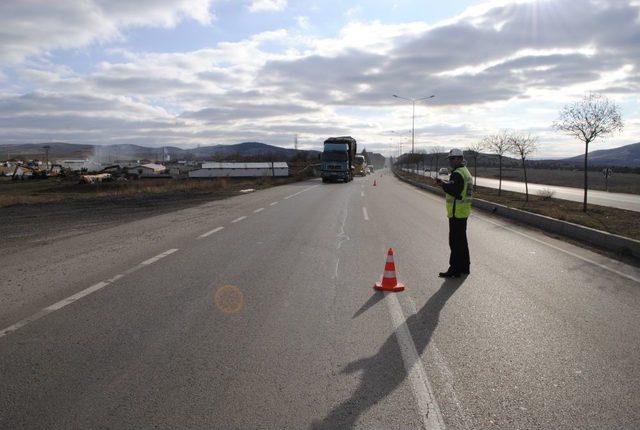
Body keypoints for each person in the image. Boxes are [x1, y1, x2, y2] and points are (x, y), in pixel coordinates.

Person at [435, 148, 473, 278]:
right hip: (463, 212)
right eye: (450, 159)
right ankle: (464, 267)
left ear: (460, 159)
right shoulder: (465, 172)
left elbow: (454, 190)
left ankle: (454, 270)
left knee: (455, 242)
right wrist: (446, 183)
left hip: (457, 212)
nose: (450, 161)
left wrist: (442, 184)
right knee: (462, 241)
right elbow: (457, 188)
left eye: (452, 159)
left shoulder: (457, 173)